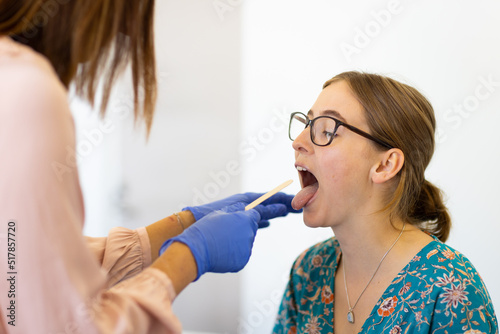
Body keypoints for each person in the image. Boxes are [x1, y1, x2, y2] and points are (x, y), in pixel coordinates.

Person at [0, 1, 299, 333]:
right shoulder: (25, 91)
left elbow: (27, 264)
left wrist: (182, 225)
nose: (124, 34)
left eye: (327, 130)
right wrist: (188, 256)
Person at [273, 71, 498, 334]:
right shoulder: (307, 271)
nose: (297, 143)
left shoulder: (453, 288)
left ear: (385, 165)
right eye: (306, 124)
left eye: (326, 130)